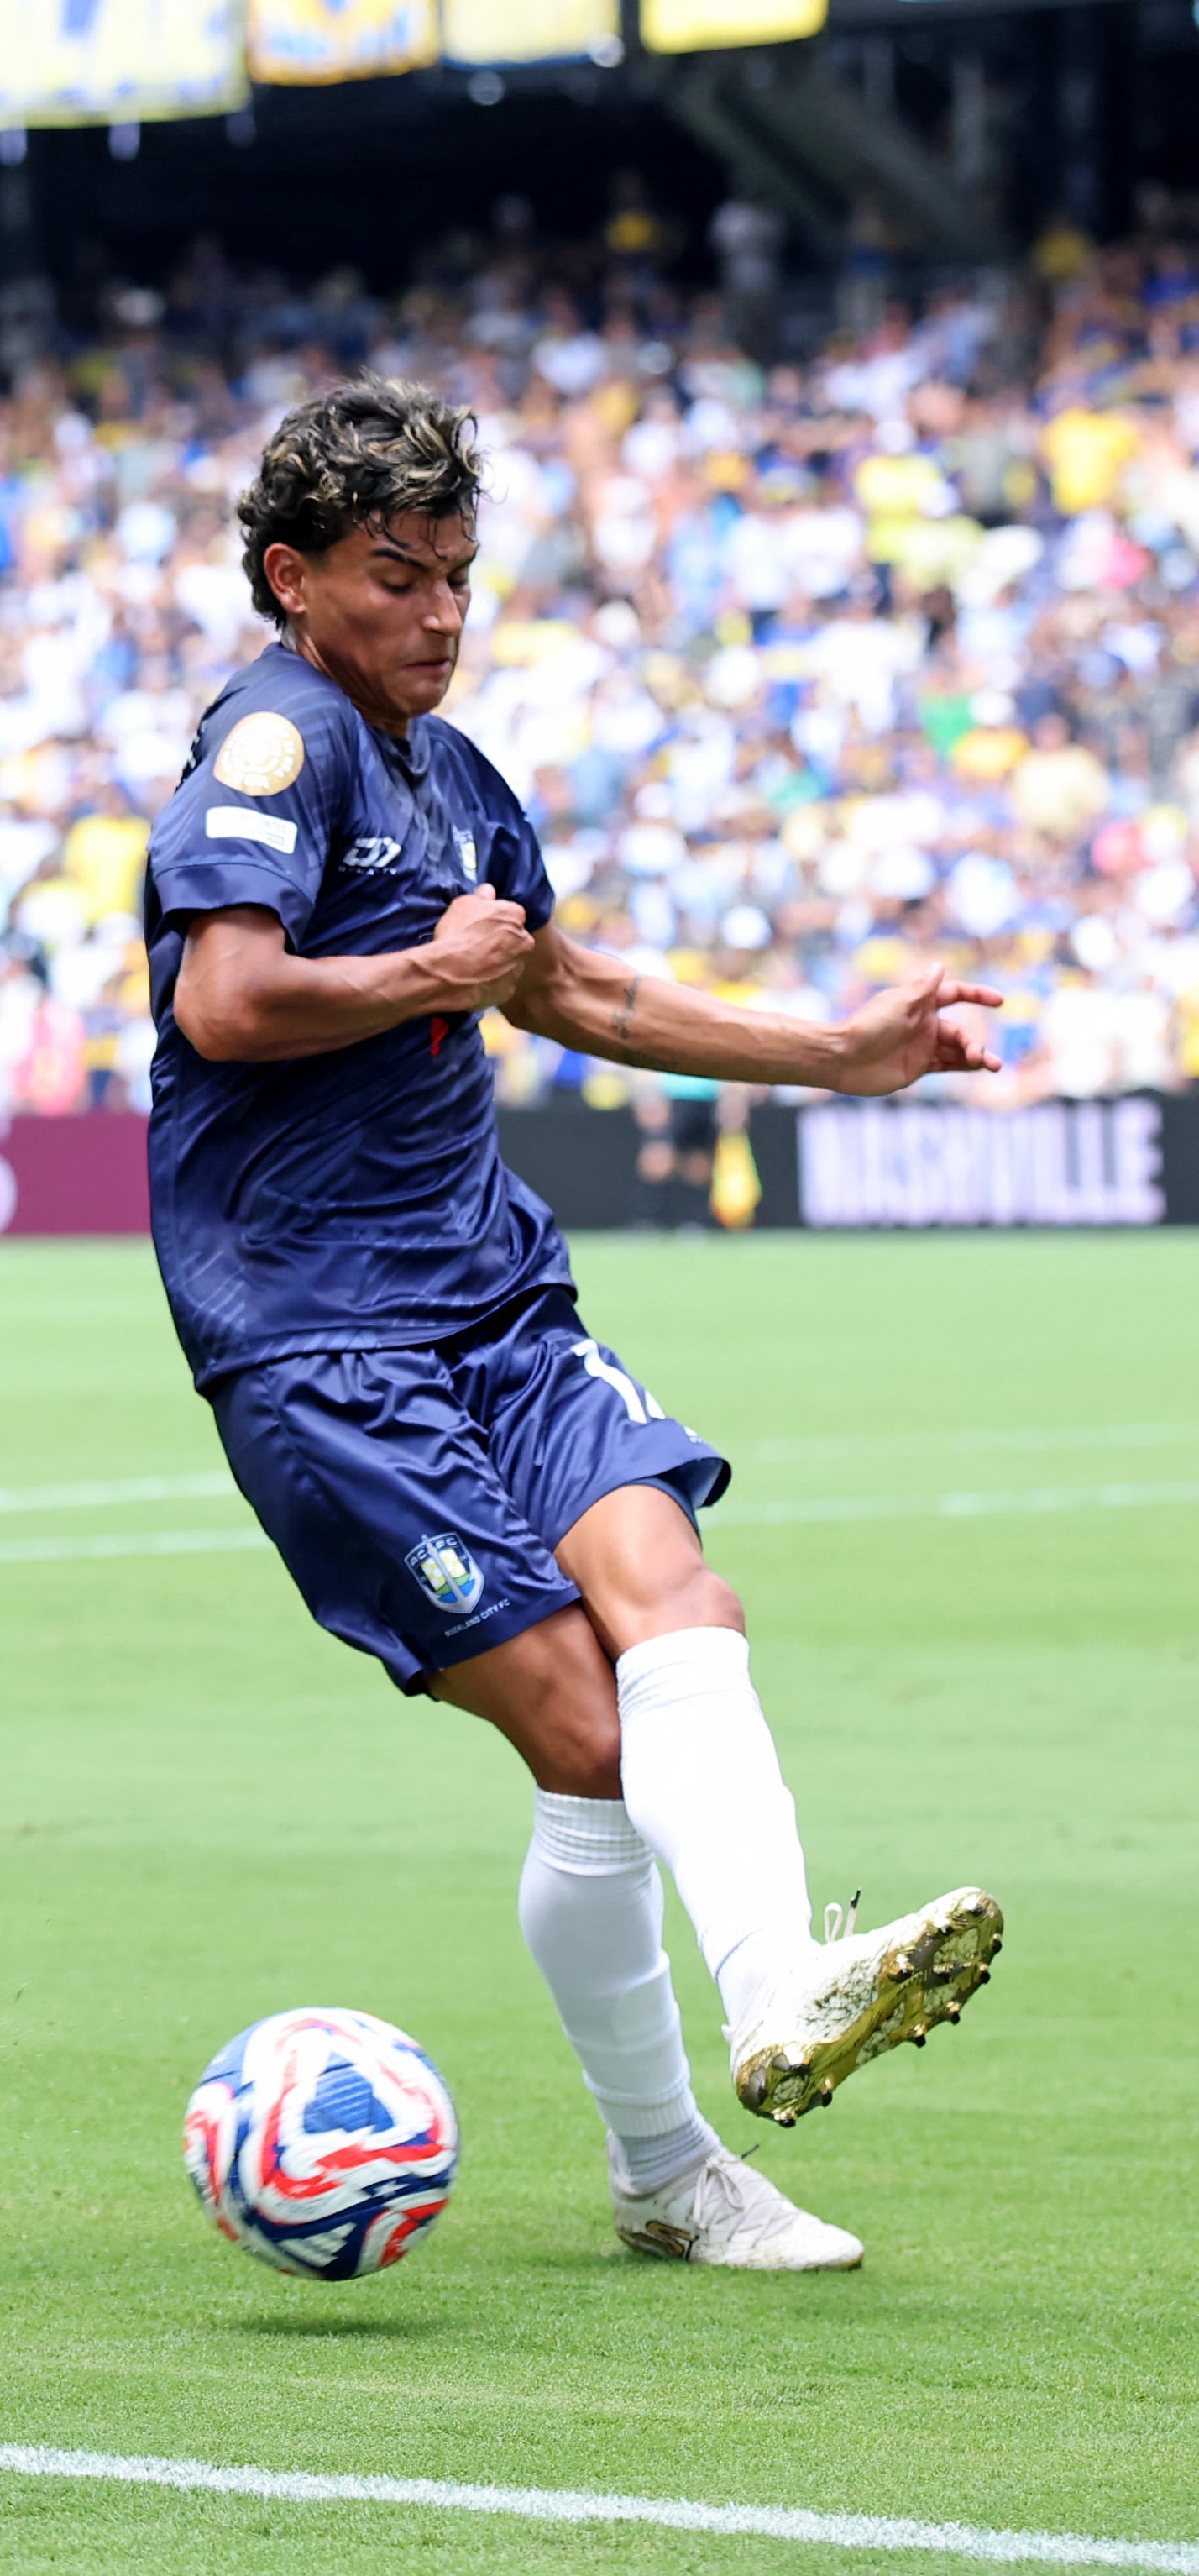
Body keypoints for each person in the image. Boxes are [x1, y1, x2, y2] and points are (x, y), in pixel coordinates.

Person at [142, 379, 1004, 2274]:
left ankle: (781, 1984)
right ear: (295, 582)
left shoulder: (455, 773)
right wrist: (416, 973)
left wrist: (842, 1060)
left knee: (682, 1604)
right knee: (592, 1738)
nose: (441, 615)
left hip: (493, 1295)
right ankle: (665, 2167)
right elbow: (225, 1000)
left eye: (459, 576)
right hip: (318, 1341)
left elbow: (577, 985)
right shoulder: (278, 739)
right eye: (397, 578)